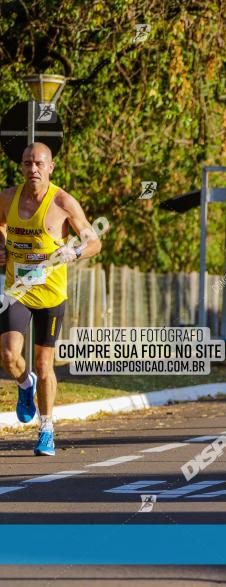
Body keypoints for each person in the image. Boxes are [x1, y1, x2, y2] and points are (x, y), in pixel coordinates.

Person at [0, 143, 102, 456]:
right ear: (21, 166)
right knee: (7, 355)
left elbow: (93, 240)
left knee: (45, 365)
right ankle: (24, 384)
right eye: (27, 163)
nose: (33, 169)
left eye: (39, 164)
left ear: (51, 167)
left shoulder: (63, 201)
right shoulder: (7, 197)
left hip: (51, 293)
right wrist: (2, 245)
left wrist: (75, 251)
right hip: (17, 289)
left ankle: (46, 428)